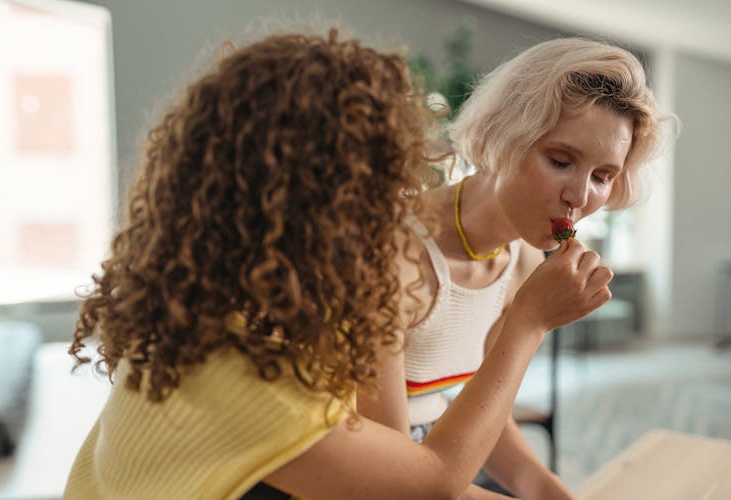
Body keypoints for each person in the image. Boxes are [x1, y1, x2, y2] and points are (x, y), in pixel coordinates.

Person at [63, 29, 614, 500]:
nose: (393, 213)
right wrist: (529, 322)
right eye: (372, 192)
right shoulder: (245, 381)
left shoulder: (235, 328)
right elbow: (428, 483)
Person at [357, 37, 672, 499]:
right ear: (500, 134)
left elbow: (484, 405)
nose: (581, 196)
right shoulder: (392, 253)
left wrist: (545, 488)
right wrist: (531, 320)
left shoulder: (521, 257)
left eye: (603, 176)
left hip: (439, 456)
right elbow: (390, 482)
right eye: (561, 161)